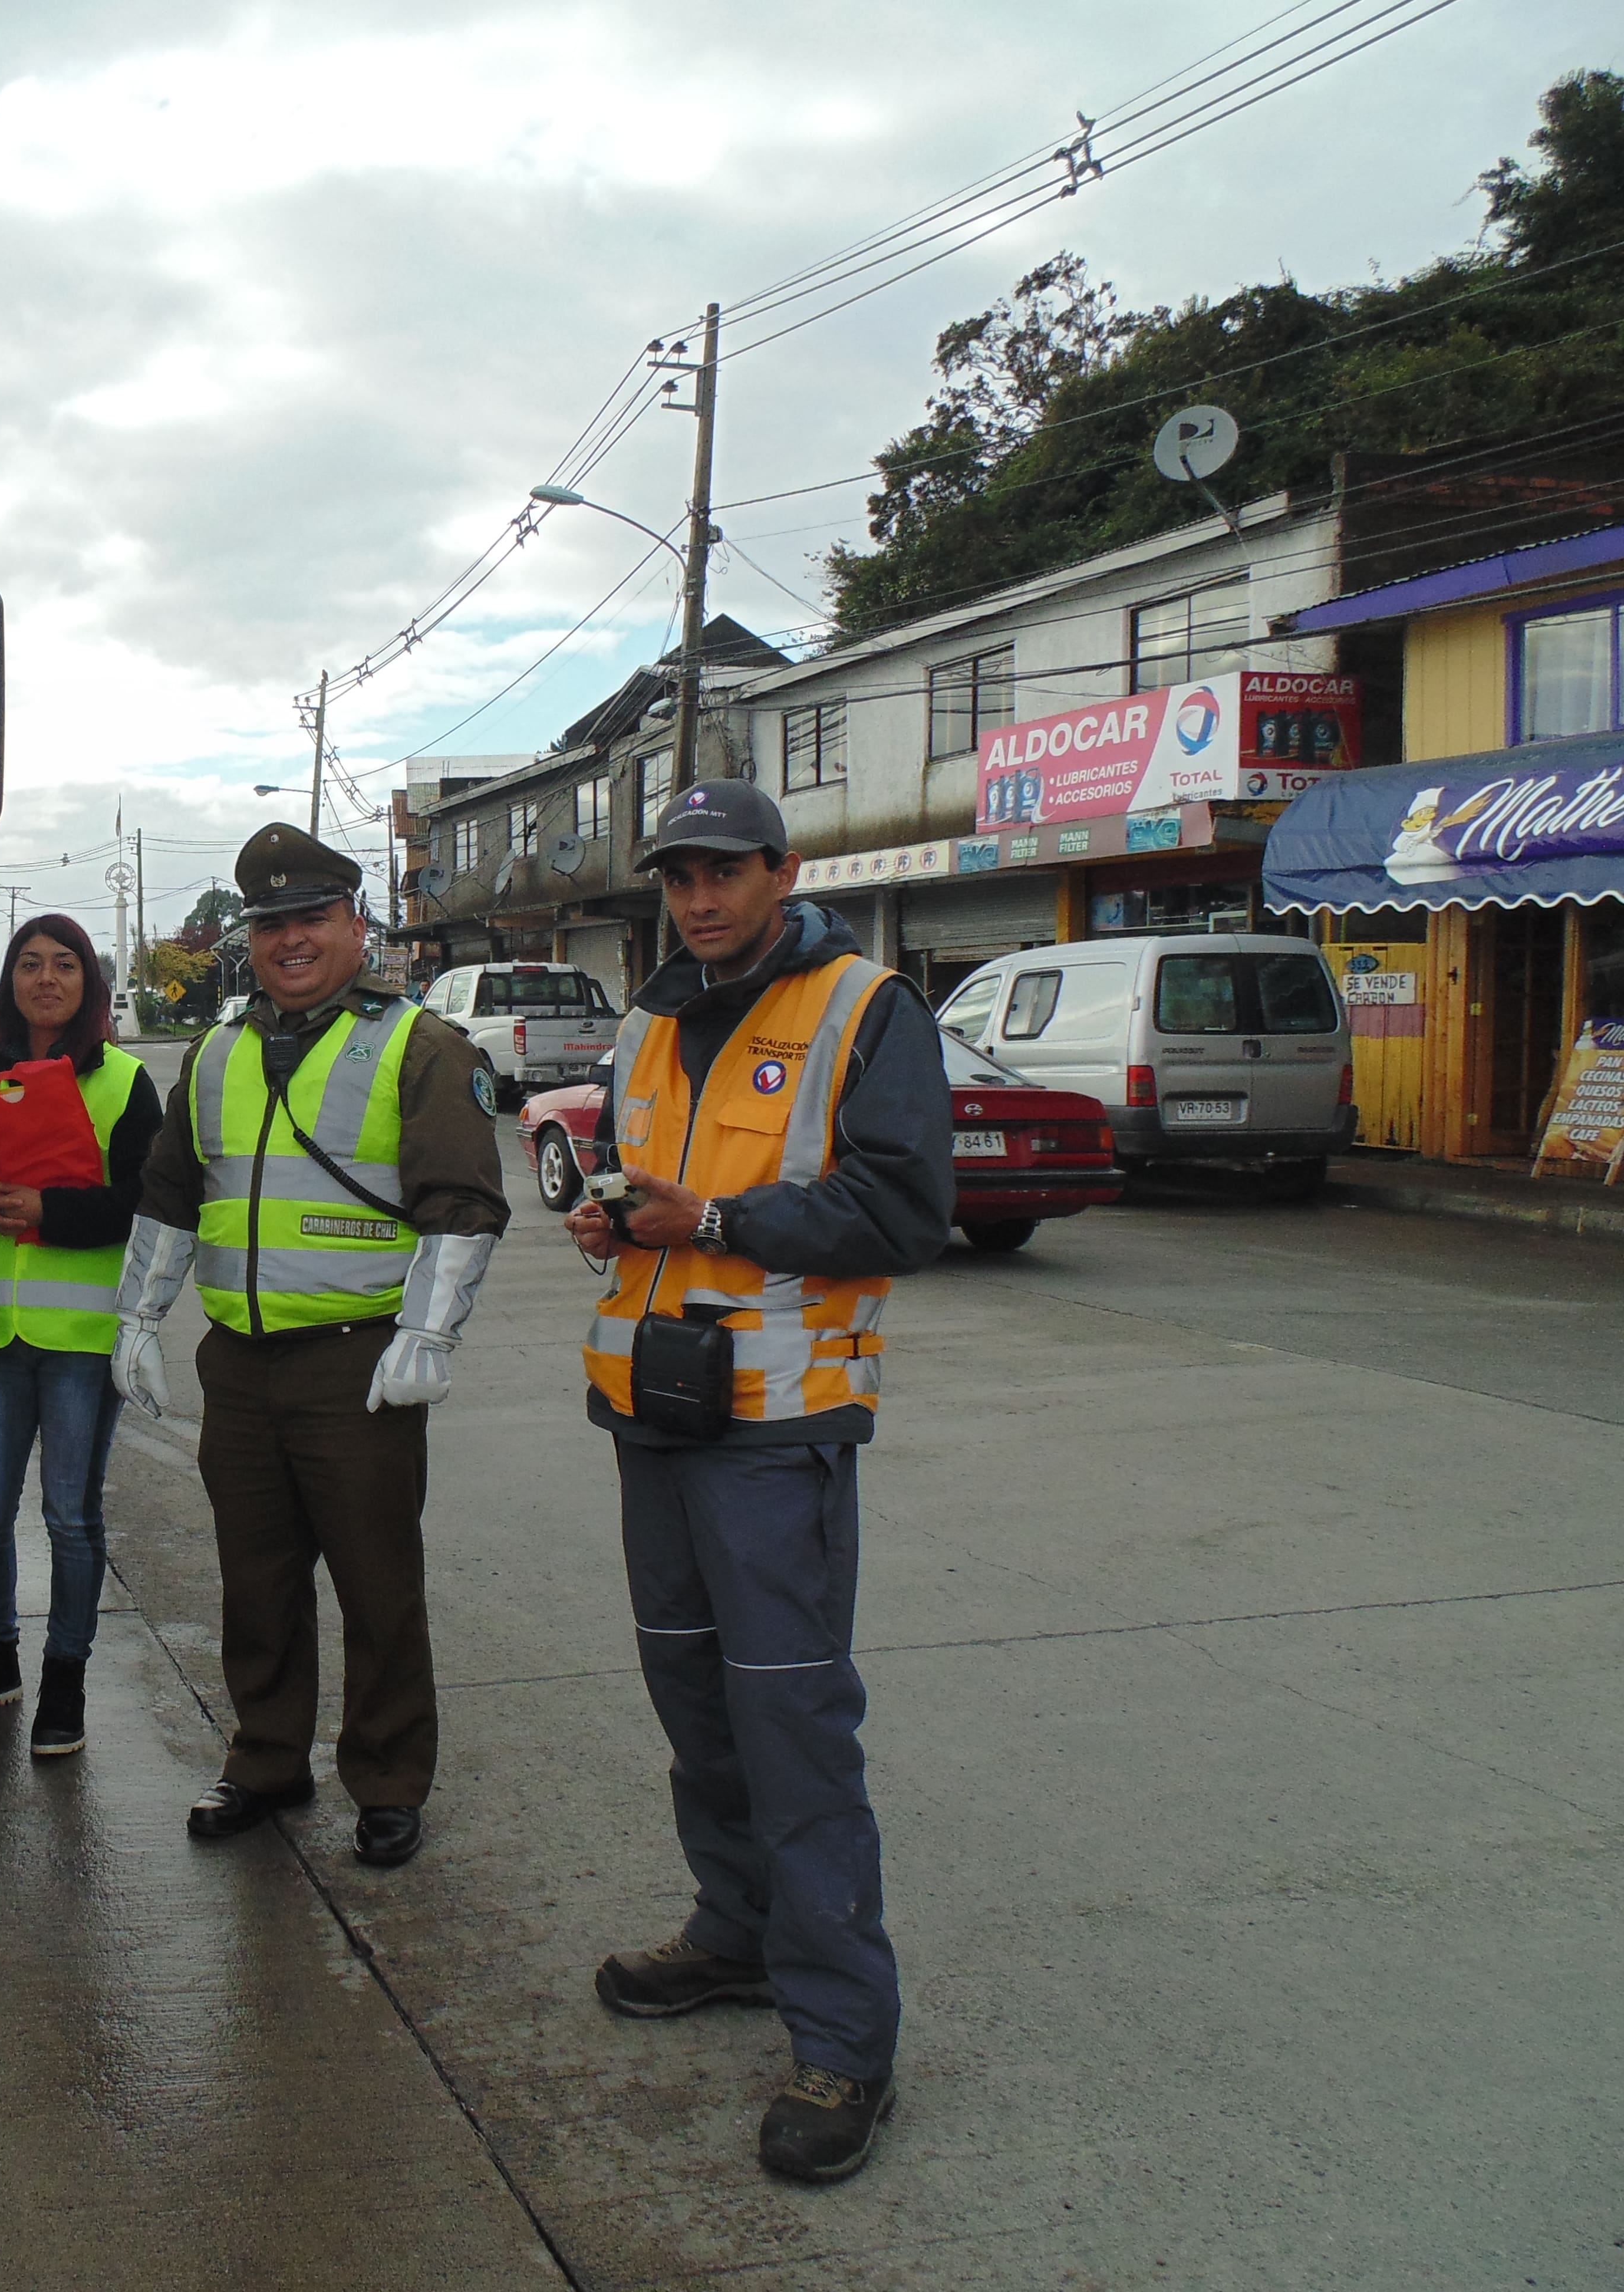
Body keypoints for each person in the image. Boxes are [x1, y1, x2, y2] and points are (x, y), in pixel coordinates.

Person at [561, 778, 954, 2187]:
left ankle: (843, 2035)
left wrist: (712, 1218)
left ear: (781, 872)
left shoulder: (863, 1009)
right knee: (693, 1702)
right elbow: (644, 1186)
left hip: (778, 1430)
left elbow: (906, 1211)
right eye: (678, 874)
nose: (699, 895)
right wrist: (611, 1221)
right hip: (651, 1413)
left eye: (724, 869)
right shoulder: (649, 1019)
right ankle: (733, 1931)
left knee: (791, 1725)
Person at [111, 825, 506, 1869]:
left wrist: (426, 1334)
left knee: (377, 1582)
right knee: (256, 1577)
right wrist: (137, 1318)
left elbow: (459, 1204)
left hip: (353, 1362)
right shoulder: (215, 1052)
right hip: (237, 1363)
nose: (289, 940)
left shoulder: (417, 1045)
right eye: (270, 924)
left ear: (354, 925)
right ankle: (265, 1757)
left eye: (310, 919)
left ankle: (384, 1779)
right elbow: (168, 1194)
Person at [0, 914, 163, 1756]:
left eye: (65, 965)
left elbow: (147, 1201)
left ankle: (66, 1677)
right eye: (30, 964)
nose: (46, 979)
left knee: (69, 1516)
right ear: (10, 982)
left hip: (81, 1340)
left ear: (89, 983)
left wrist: (51, 1211)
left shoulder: (125, 1081)